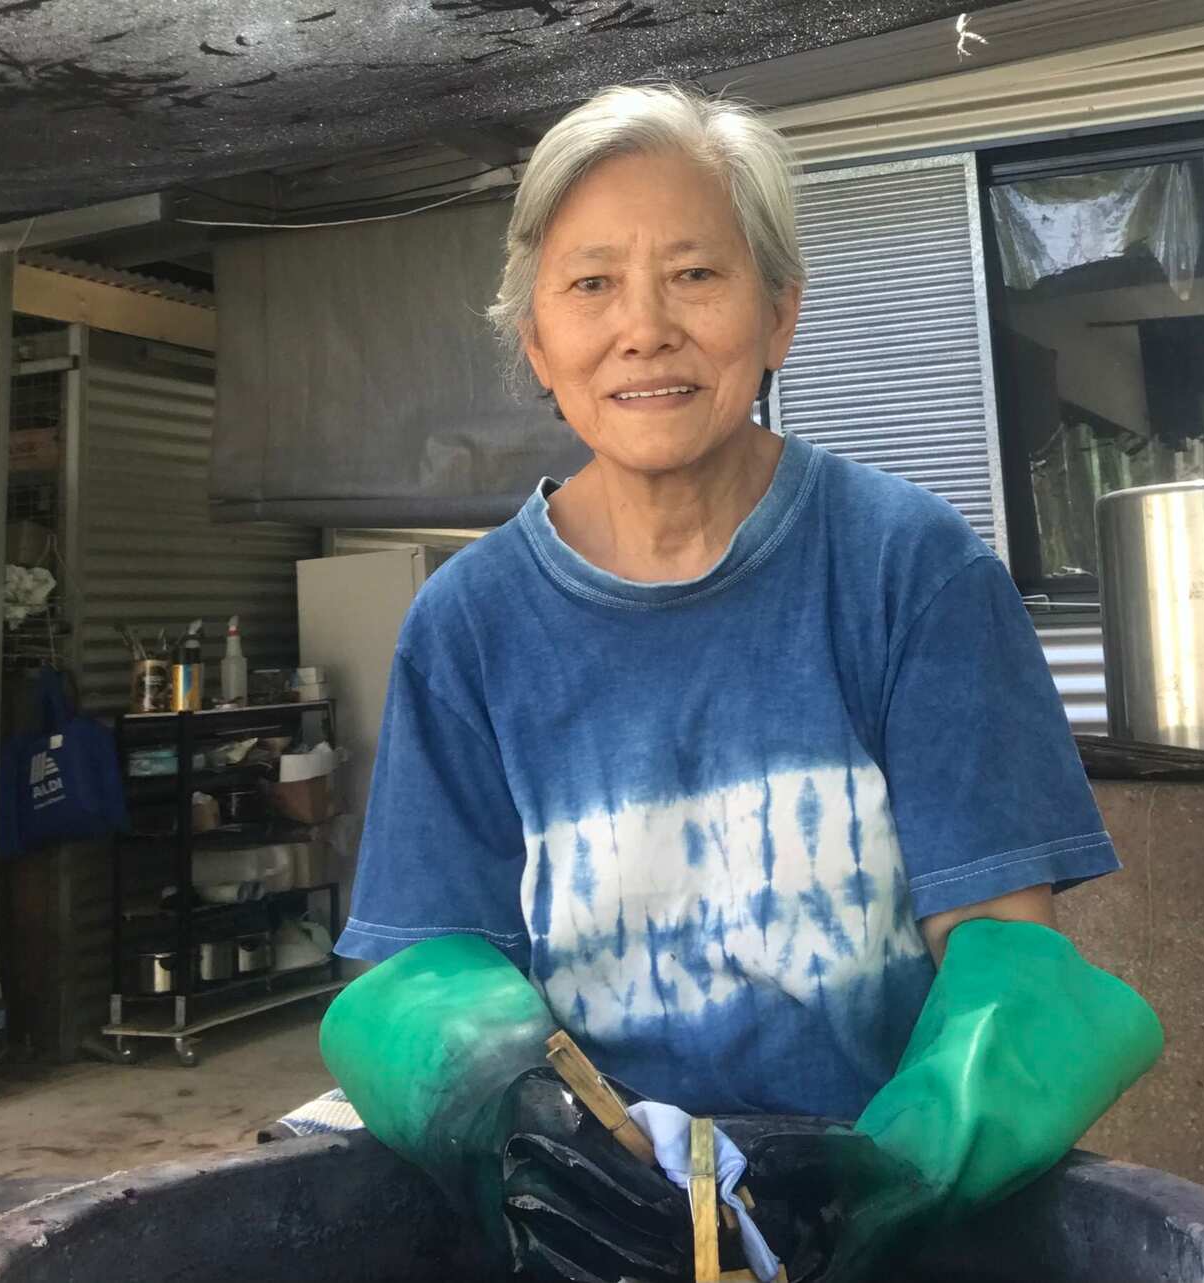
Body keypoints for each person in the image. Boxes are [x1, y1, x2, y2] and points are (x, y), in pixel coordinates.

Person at [320, 84, 1161, 1282]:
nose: (644, 327)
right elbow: (430, 972)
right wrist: (534, 1143)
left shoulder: (909, 570)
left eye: (695, 276)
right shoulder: (468, 625)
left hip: (873, 1236)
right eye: (592, 283)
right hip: (578, 1239)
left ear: (779, 314)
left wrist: (882, 1183)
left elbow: (1000, 958)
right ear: (538, 345)